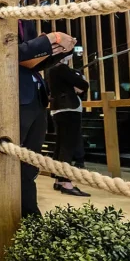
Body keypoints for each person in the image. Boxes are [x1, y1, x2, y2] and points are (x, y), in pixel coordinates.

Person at [0, 0, 76, 217]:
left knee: (30, 166)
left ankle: (29, 217)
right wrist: (48, 39)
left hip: (35, 97)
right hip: (14, 98)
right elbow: (8, 52)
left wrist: (58, 52)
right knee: (13, 165)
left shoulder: (22, 14)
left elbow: (29, 63)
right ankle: (20, 218)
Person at [48, 55, 89, 196]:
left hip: (57, 109)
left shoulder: (51, 69)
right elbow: (83, 85)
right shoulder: (62, 68)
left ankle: (59, 180)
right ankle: (66, 182)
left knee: (60, 145)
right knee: (68, 146)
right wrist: (80, 86)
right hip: (69, 109)